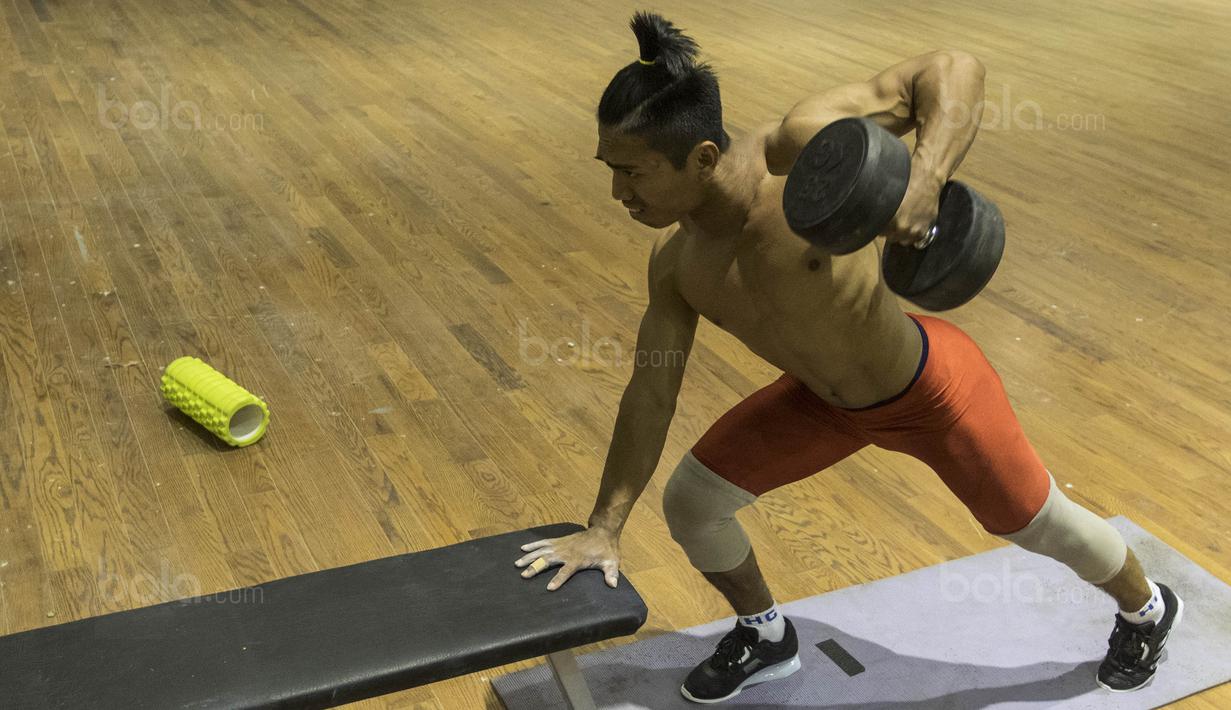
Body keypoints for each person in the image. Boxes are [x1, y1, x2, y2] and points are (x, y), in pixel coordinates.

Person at [514, 11, 1181, 704]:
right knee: (693, 505)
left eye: (633, 173)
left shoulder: (798, 148)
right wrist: (603, 527)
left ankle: (1147, 609)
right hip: (820, 404)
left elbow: (951, 69)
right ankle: (766, 635)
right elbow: (650, 394)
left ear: (704, 157)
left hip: (929, 388)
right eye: (610, 171)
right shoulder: (677, 265)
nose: (617, 194)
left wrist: (923, 182)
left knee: (1035, 525)